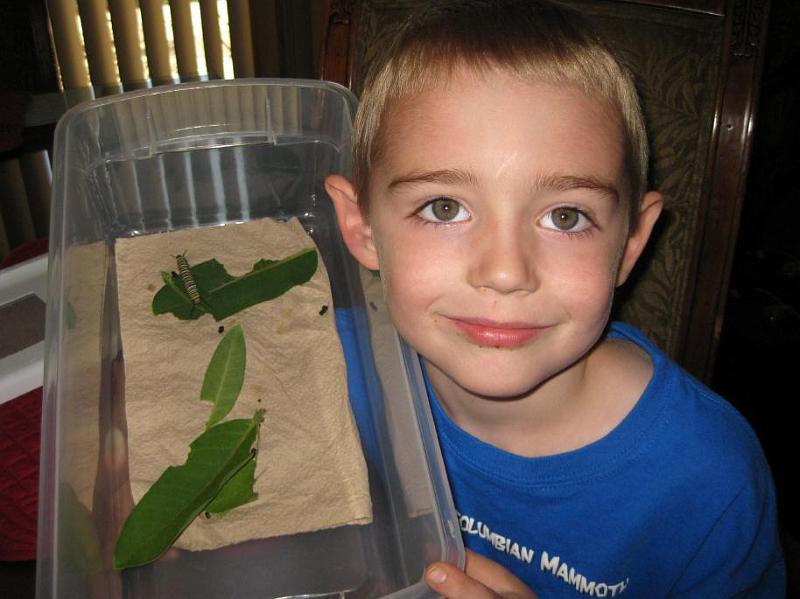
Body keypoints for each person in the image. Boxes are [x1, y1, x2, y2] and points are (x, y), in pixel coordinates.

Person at [324, 0, 786, 596]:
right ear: (362, 229)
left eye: (565, 217)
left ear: (629, 244)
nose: (506, 272)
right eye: (445, 208)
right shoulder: (329, 366)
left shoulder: (708, 479)